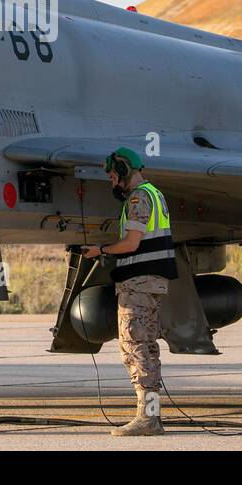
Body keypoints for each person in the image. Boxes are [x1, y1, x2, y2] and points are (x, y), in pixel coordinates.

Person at [80, 147, 178, 436]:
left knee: (134, 346)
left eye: (113, 176)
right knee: (147, 346)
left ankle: (147, 418)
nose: (112, 182)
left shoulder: (139, 198)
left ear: (123, 170)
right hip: (150, 281)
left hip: (139, 283)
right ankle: (151, 415)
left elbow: (132, 243)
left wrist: (102, 250)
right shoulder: (155, 194)